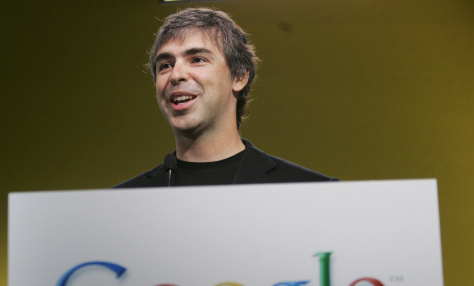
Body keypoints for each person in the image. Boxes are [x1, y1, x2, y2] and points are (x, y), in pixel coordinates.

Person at [114, 8, 337, 188]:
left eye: (197, 59)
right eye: (165, 65)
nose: (176, 75)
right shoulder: (122, 203)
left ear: (239, 76)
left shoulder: (312, 192)